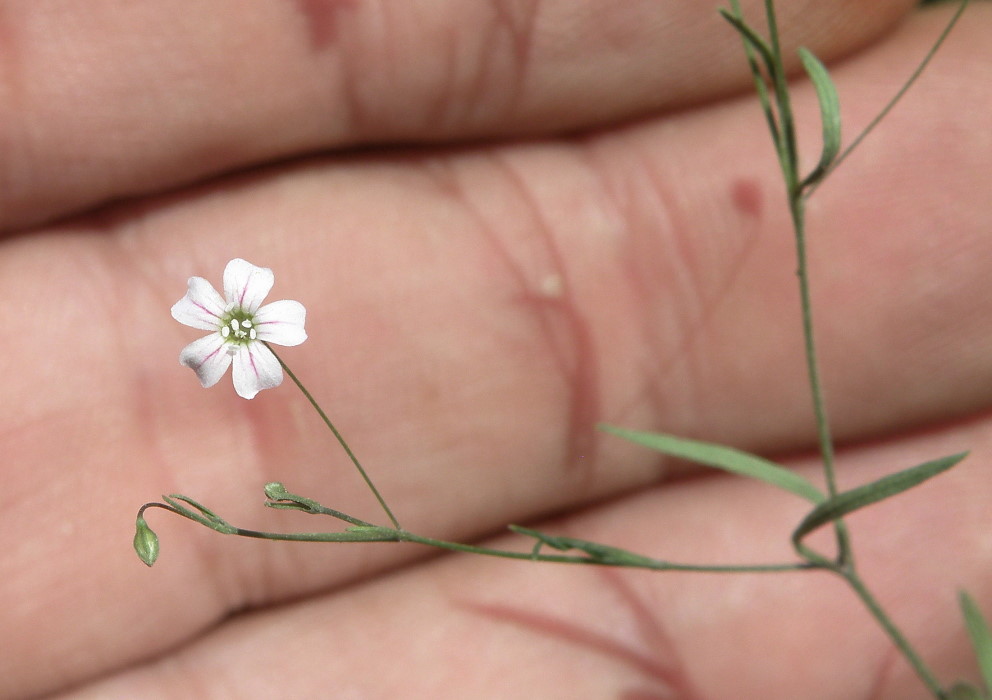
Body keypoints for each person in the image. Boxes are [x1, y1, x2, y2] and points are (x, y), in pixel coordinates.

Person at [1, 1, 989, 698]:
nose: (238, 327)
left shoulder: (250, 328)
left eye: (237, 323)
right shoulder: (238, 337)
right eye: (232, 325)